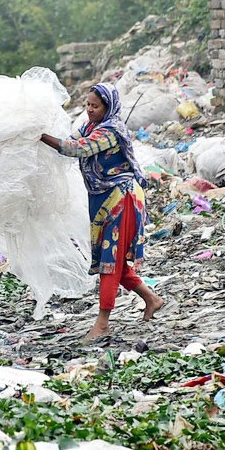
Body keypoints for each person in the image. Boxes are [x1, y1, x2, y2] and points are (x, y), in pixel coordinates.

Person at [40, 83, 164, 340]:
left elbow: (77, 149)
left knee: (110, 261)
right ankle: (152, 298)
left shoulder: (111, 131)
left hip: (122, 199)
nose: (90, 110)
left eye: (95, 106)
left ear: (109, 107)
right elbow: (71, 141)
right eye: (87, 105)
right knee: (112, 259)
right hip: (103, 198)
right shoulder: (89, 127)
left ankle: (103, 323)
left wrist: (41, 136)